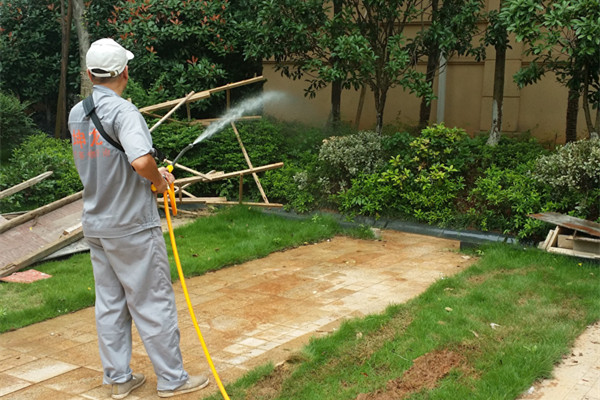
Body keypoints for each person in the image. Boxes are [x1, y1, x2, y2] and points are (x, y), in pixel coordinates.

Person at [68, 38, 209, 399]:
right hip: (130, 226)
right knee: (152, 301)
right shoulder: (124, 112)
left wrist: (149, 172)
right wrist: (160, 181)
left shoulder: (77, 113)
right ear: (124, 72)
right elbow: (140, 162)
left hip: (97, 225)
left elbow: (112, 160)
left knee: (110, 304)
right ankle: (173, 380)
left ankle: (118, 380)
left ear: (89, 74)